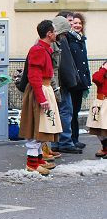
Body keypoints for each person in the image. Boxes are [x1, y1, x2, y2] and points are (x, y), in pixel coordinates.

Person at [19, 20, 61, 175]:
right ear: (49, 34)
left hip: (45, 88)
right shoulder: (38, 50)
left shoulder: (45, 49)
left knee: (44, 125)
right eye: (54, 31)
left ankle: (37, 160)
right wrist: (42, 98)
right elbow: (34, 76)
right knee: (37, 127)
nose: (56, 33)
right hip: (40, 91)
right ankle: (32, 164)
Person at [49, 16, 79, 156]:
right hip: (59, 84)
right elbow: (62, 66)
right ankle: (65, 142)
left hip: (57, 84)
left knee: (59, 113)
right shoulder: (58, 42)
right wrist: (71, 81)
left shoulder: (57, 41)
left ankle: (56, 143)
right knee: (66, 112)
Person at [67, 12, 91, 148]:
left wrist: (87, 81)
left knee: (75, 111)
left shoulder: (81, 39)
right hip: (73, 82)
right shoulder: (69, 39)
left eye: (80, 23)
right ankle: (71, 139)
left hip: (81, 82)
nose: (77, 25)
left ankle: (75, 138)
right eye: (75, 23)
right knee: (71, 111)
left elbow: (84, 62)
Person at [88, 62, 107, 158]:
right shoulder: (102, 73)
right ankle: (105, 147)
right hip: (100, 102)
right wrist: (104, 69)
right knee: (97, 128)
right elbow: (96, 79)